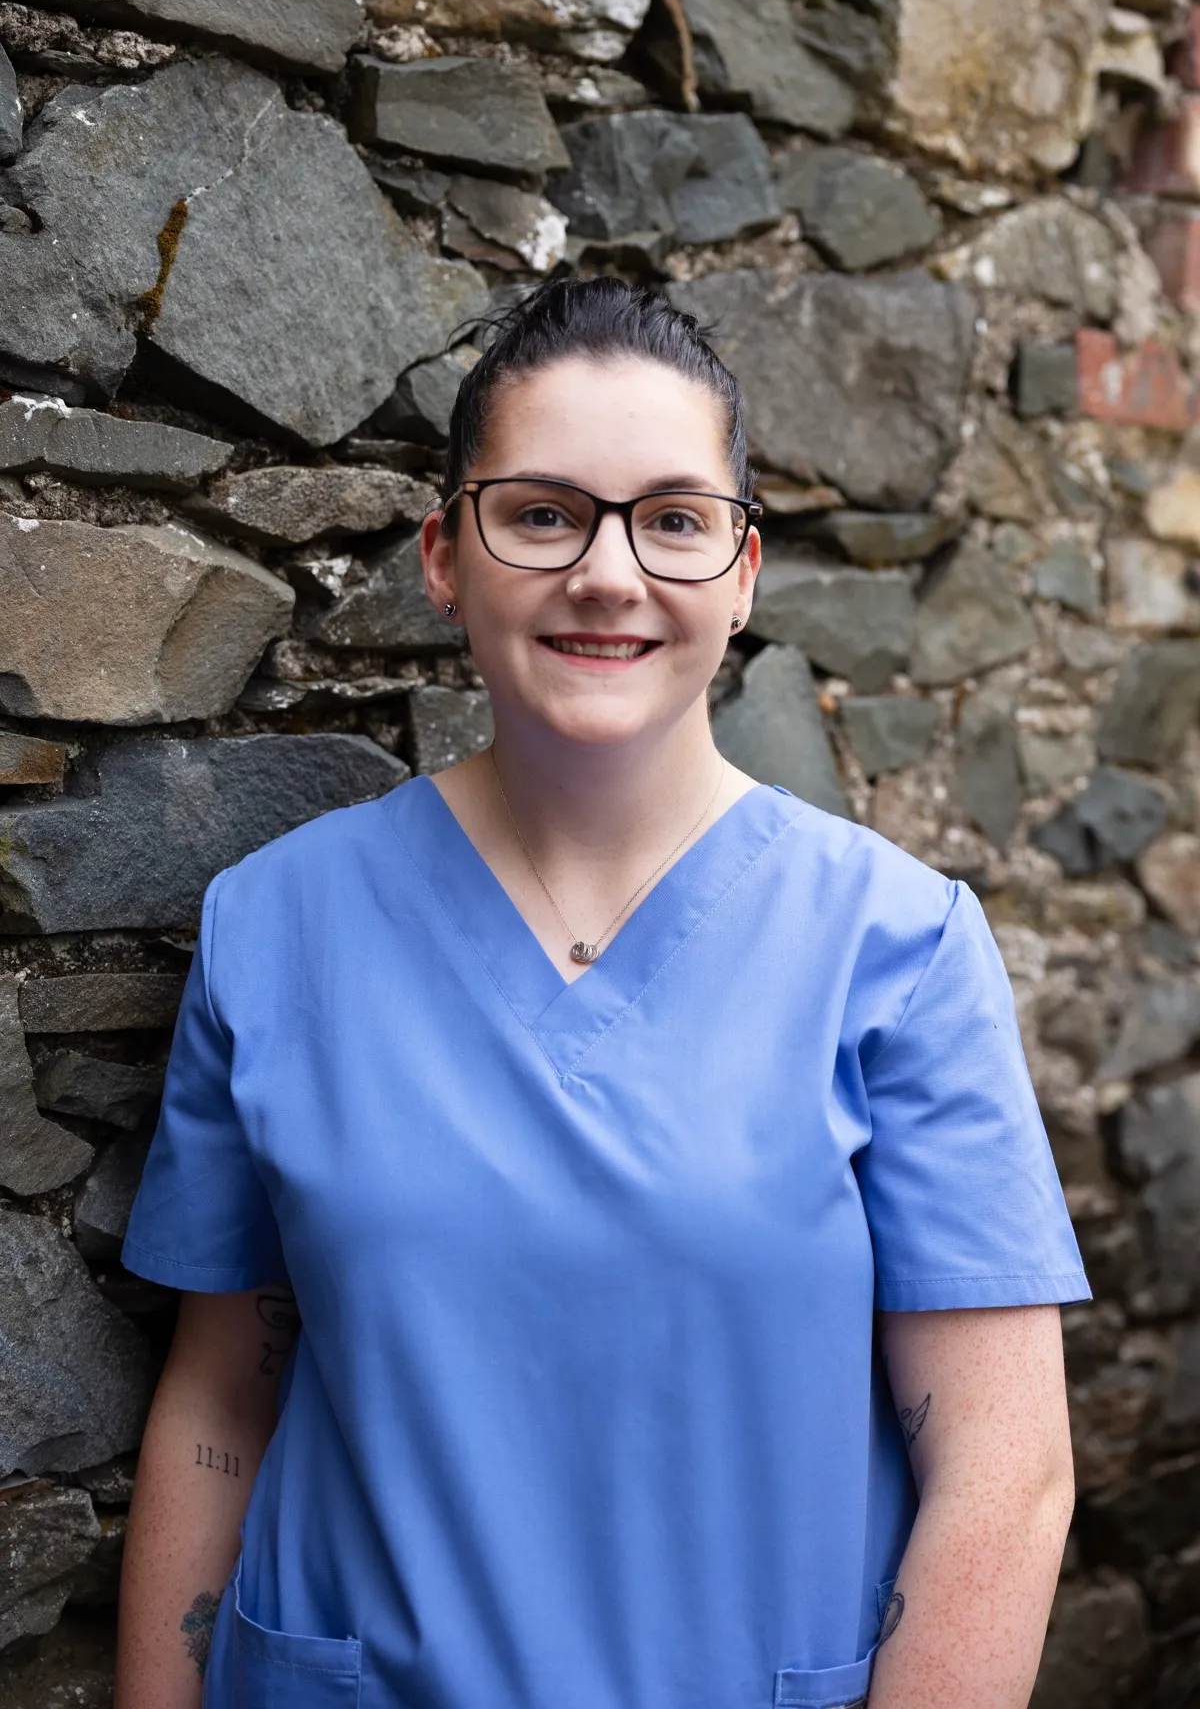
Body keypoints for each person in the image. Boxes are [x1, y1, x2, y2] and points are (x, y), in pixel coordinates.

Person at [115, 278, 1089, 1709]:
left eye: (675, 519)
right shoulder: (276, 928)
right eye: (544, 512)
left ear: (743, 573)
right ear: (446, 555)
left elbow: (1005, 1477)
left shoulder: (899, 949)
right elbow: (219, 1400)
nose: (609, 573)